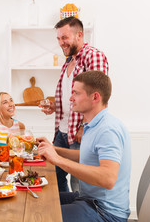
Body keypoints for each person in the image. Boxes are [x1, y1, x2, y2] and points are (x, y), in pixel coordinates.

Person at [37, 71, 131, 222]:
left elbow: (108, 178)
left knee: (40, 217)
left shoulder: (107, 129)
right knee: (38, 200)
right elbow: (86, 155)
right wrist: (53, 149)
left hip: (105, 212)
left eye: (76, 93)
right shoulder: (93, 124)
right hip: (88, 199)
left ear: (95, 97)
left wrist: (58, 160)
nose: (70, 98)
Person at [42, 16, 109, 192]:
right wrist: (56, 106)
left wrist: (84, 126)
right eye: (58, 38)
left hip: (80, 132)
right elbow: (75, 95)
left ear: (79, 35)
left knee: (78, 184)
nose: (60, 43)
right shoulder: (69, 61)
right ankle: (62, 214)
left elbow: (99, 95)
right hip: (62, 131)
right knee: (55, 177)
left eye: (64, 37)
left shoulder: (92, 56)